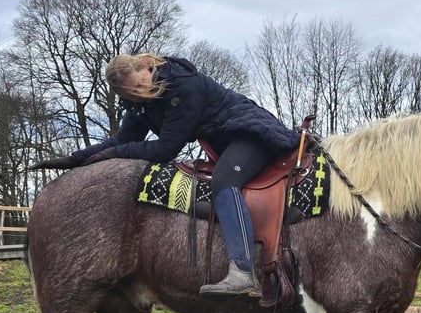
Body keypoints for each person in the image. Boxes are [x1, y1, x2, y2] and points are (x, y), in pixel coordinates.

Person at [30, 53, 301, 297]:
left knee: (225, 180)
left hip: (250, 132)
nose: (140, 93)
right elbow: (124, 139)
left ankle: (243, 272)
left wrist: (114, 154)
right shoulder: (139, 102)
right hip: (224, 140)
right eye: (132, 94)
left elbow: (165, 148)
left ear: (146, 67)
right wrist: (75, 159)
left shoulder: (184, 86)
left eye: (139, 85)